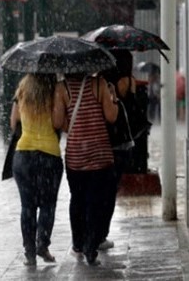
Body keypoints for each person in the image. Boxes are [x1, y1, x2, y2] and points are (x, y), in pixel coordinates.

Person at [53, 72, 118, 266]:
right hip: (100, 153)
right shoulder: (99, 84)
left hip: (76, 156)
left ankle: (78, 244)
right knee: (96, 201)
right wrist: (112, 98)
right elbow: (111, 116)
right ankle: (91, 246)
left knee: (78, 199)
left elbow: (57, 122)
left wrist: (74, 125)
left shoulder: (61, 88)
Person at [9, 73, 66, 266]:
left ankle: (30, 253)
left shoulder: (22, 90)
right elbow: (58, 122)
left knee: (27, 206)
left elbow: (13, 122)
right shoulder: (54, 91)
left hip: (23, 155)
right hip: (49, 155)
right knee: (47, 205)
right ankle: (43, 244)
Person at [98, 50, 138, 251]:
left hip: (103, 141)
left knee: (98, 190)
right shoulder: (128, 81)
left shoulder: (102, 82)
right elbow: (133, 109)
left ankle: (94, 232)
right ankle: (101, 233)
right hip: (122, 143)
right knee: (110, 192)